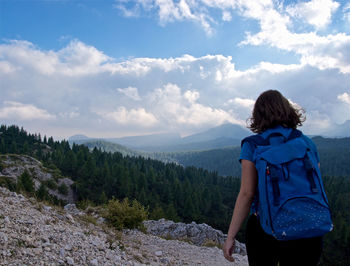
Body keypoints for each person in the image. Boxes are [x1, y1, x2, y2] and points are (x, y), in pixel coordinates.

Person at [222, 90, 323, 266]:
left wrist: (230, 236)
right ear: (288, 110)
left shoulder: (253, 145)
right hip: (309, 226)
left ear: (257, 115)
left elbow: (247, 194)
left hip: (266, 229)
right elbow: (317, 184)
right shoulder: (307, 143)